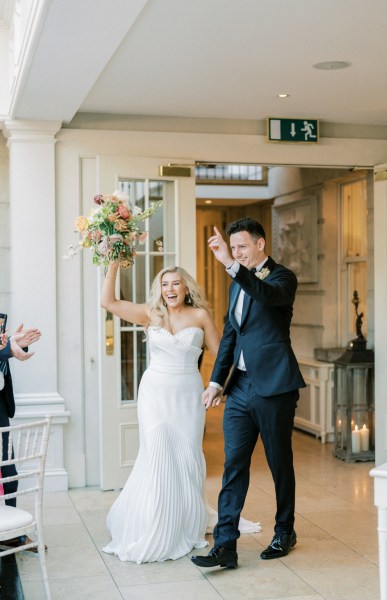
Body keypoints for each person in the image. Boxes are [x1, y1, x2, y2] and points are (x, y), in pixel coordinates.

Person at [191, 218, 305, 570]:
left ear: (260, 244)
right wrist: (215, 381)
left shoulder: (283, 278)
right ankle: (225, 545)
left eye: (241, 247)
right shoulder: (237, 284)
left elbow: (266, 295)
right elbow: (231, 335)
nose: (236, 252)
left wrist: (230, 264)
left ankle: (285, 530)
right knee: (233, 465)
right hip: (239, 389)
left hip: (275, 387)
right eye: (232, 248)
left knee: (278, 463)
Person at [100, 262, 222, 563]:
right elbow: (108, 302)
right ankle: (155, 520)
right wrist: (113, 265)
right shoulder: (151, 314)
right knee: (156, 453)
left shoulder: (201, 316)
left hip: (187, 395)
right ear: (160, 289)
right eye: (165, 284)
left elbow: (222, 355)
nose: (170, 289)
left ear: (186, 287)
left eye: (176, 284)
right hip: (154, 393)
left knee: (187, 455)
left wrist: (218, 386)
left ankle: (186, 521)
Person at [0, 322, 42, 552]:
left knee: (9, 471)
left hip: (0, 404)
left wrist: (13, 344)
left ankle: (12, 535)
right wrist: (9, 347)